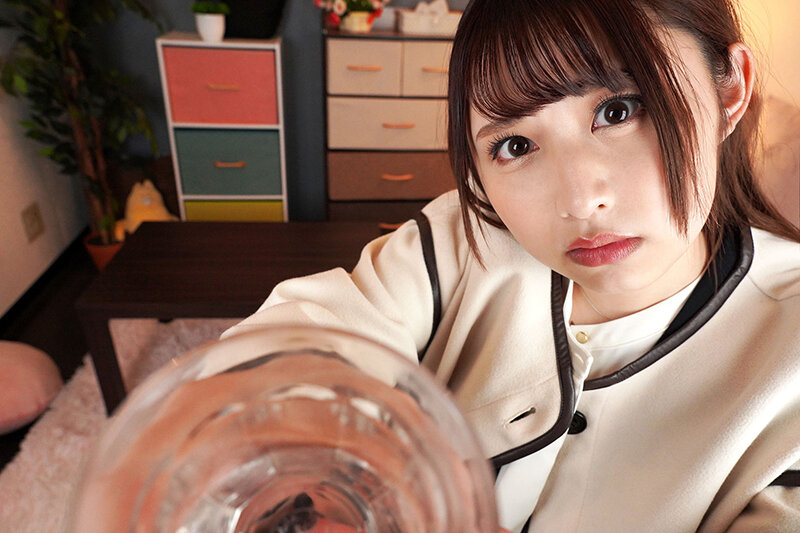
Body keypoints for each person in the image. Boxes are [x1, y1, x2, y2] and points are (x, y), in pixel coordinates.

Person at [224, 0, 800, 530]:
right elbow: (293, 347)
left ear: (729, 89)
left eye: (618, 110)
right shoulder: (465, 241)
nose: (579, 201)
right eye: (516, 146)